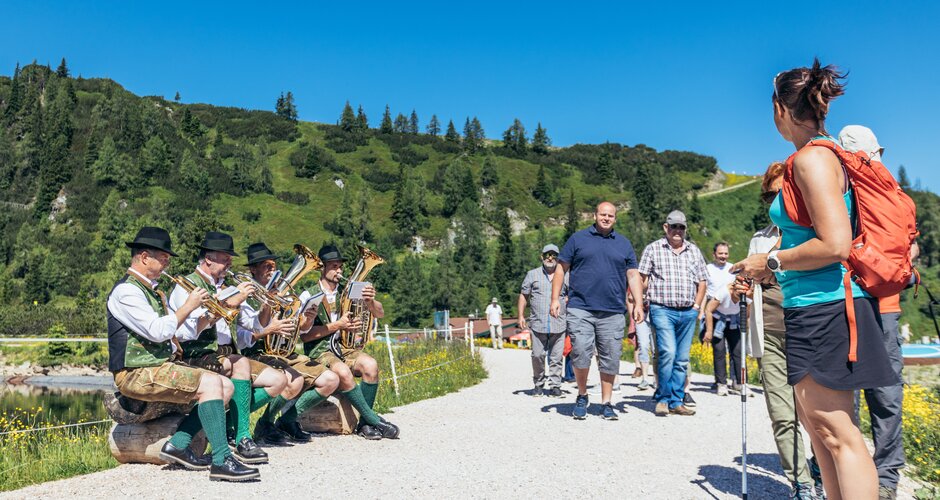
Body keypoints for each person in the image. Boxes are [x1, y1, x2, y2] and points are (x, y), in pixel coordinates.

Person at [734, 60, 899, 500]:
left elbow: (835, 244)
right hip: (812, 304)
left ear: (780, 109)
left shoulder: (812, 159)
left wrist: (768, 261)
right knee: (820, 429)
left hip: (827, 304)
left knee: (837, 433)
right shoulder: (818, 155)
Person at [106, 227, 259, 481]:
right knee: (212, 383)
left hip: (156, 367)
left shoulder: (153, 291)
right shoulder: (126, 292)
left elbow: (181, 332)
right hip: (135, 372)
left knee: (226, 387)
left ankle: (178, 444)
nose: (168, 263)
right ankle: (221, 459)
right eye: (164, 258)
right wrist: (188, 306)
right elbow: (157, 331)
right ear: (144, 257)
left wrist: (207, 315)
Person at [169, 231, 286, 465]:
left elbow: (255, 326)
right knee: (240, 364)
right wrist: (231, 301)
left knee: (279, 380)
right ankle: (242, 438)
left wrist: (266, 302)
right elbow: (187, 330)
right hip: (196, 353)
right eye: (225, 258)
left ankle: (235, 431)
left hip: (225, 353)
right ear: (208, 259)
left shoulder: (227, 286)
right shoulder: (188, 286)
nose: (230, 263)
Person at [738, 162, 817, 499]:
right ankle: (801, 484)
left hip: (811, 330)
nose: (776, 201)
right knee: (782, 414)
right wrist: (741, 287)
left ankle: (820, 470)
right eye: (770, 196)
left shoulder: (816, 230)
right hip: (770, 331)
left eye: (783, 192)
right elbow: (749, 280)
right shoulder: (760, 239)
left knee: (818, 414)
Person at [839, 125, 908, 500]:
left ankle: (847, 471)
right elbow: (909, 249)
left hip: (848, 300)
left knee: (844, 392)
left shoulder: (842, 189)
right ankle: (886, 479)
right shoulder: (893, 193)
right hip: (888, 303)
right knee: (887, 394)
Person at [234, 242, 341, 445]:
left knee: (330, 380)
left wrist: (308, 319)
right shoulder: (246, 296)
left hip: (282, 353)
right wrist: (269, 326)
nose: (272, 270)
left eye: (273, 266)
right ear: (253, 269)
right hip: (257, 353)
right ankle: (264, 424)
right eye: (266, 266)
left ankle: (285, 421)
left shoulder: (283, 294)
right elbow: (246, 333)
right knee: (295, 380)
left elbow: (300, 330)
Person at [551, 202, 644, 421]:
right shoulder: (578, 239)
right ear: (595, 215)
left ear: (615, 218)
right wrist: (555, 298)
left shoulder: (623, 243)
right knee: (580, 352)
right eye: (603, 214)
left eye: (610, 215)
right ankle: (582, 395)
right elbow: (561, 268)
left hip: (613, 310)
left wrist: (638, 304)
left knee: (610, 357)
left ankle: (606, 402)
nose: (606, 218)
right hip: (581, 307)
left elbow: (633, 275)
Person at [299, 244, 400, 440]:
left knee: (370, 365)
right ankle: (373, 420)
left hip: (344, 348)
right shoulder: (308, 295)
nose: (339, 271)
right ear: (322, 268)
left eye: (340, 267)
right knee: (344, 372)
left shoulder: (348, 291)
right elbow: (305, 336)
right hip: (320, 351)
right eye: (333, 267)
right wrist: (338, 325)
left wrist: (370, 302)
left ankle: (364, 425)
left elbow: (380, 313)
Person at [638, 210, 707, 416]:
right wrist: (640, 301)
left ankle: (676, 400)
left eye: (681, 227)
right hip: (662, 309)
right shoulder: (653, 249)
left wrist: (696, 306)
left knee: (682, 358)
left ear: (685, 229)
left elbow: (702, 281)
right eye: (674, 226)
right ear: (665, 227)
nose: (677, 231)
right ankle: (663, 398)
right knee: (667, 352)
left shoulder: (694, 251)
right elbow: (642, 278)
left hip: (687, 311)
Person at [519, 244, 568, 397]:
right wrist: (520, 315)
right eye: (547, 255)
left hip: (559, 322)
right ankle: (538, 384)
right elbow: (524, 295)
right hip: (537, 322)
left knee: (556, 357)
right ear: (542, 257)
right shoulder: (532, 274)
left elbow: (573, 295)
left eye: (554, 255)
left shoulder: (566, 275)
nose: (550, 258)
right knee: (537, 355)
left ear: (558, 258)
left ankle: (555, 386)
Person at [701, 242, 742, 396]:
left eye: (725, 253)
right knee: (719, 350)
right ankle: (721, 383)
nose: (723, 256)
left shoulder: (733, 269)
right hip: (715, 312)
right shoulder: (708, 269)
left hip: (733, 314)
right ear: (714, 255)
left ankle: (738, 382)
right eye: (720, 254)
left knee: (737, 350)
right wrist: (701, 312)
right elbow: (704, 291)